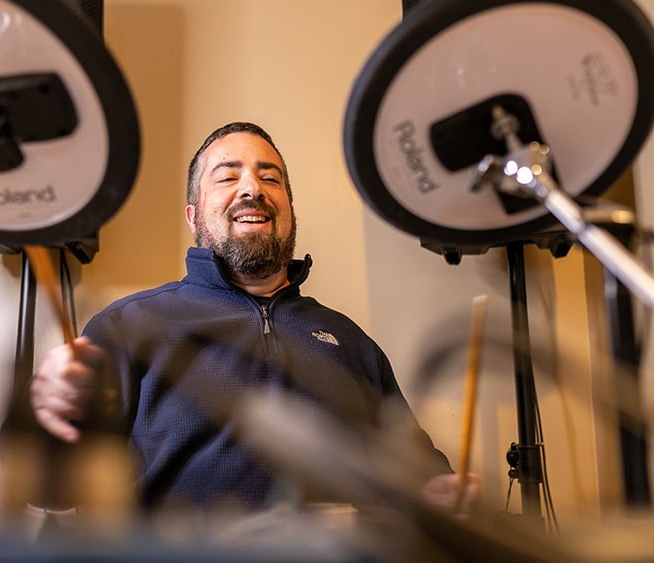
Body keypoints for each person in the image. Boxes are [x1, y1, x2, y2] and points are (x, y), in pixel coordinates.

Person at [29, 121, 480, 517]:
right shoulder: (127, 327)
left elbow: (416, 478)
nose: (253, 189)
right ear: (193, 216)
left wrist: (438, 493)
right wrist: (50, 421)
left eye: (270, 178)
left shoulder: (352, 343)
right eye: (228, 176)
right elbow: (51, 491)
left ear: (289, 211)